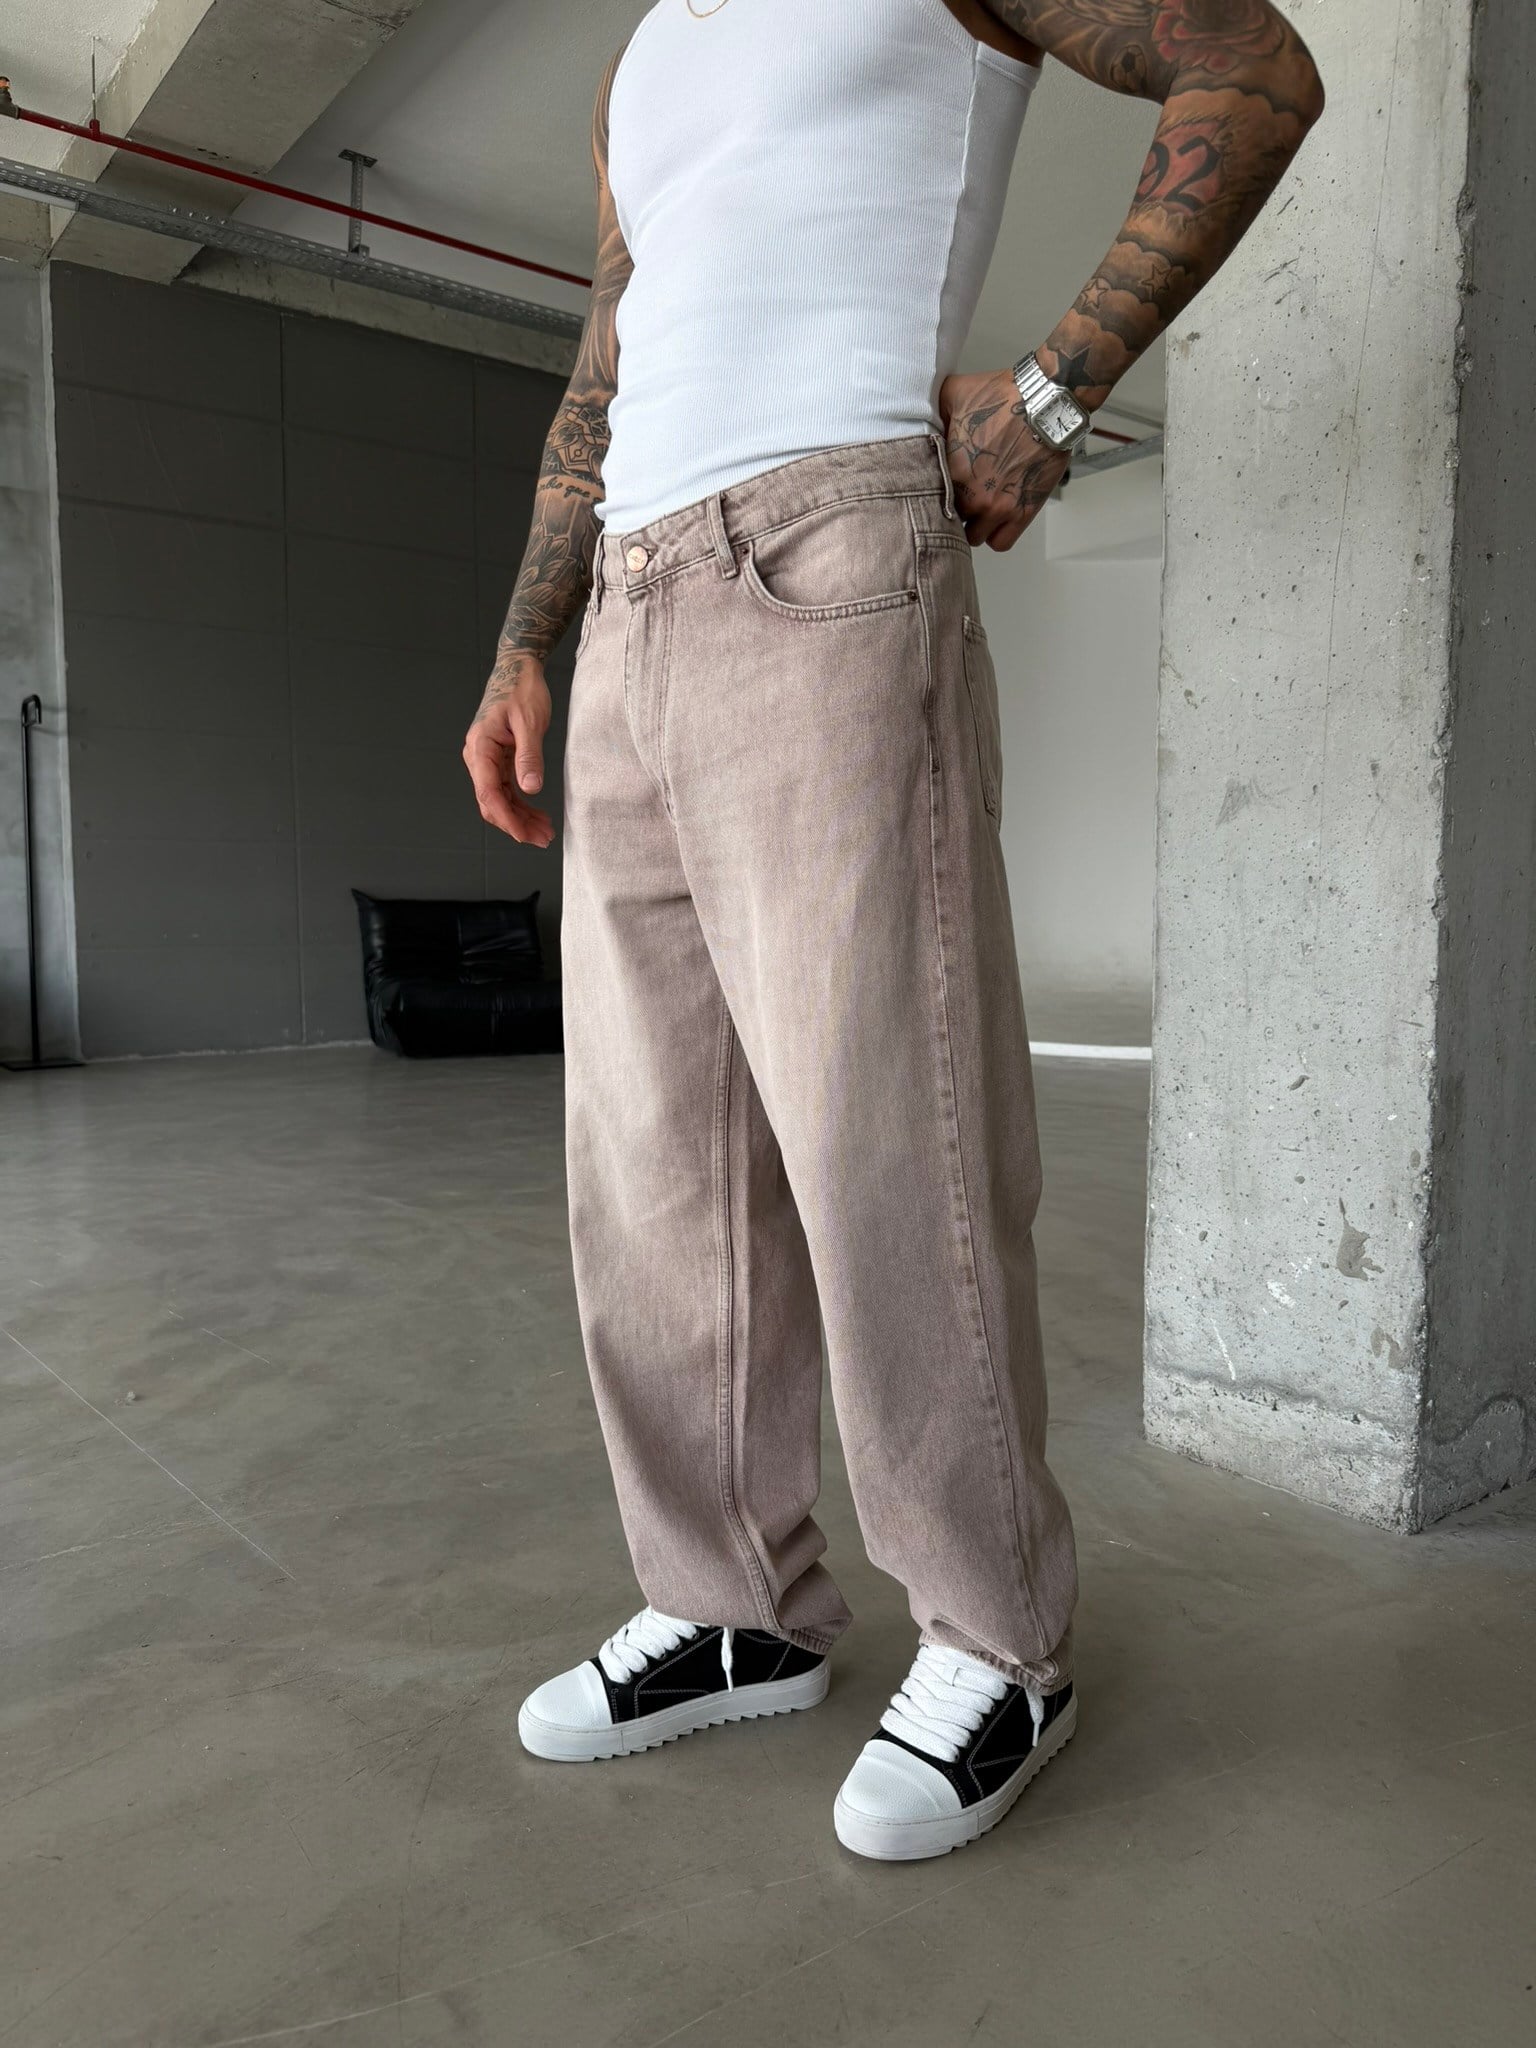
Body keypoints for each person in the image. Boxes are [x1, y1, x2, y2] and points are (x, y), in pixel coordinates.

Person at [463, 0, 1322, 1862]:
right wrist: (532, 637)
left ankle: (999, 1640)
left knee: (887, 1135)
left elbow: (1254, 71)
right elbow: (608, 355)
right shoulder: (647, 51)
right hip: (630, 604)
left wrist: (1055, 396)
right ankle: (730, 1605)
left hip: (828, 550)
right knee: (653, 1164)